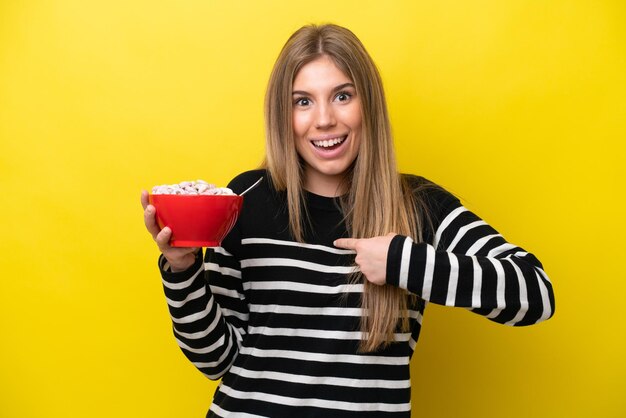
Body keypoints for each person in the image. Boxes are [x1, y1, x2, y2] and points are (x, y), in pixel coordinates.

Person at [141, 24, 555, 418]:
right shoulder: (246, 199)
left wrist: (401, 261)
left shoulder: (420, 206)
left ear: (367, 105)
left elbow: (535, 294)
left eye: (342, 96)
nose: (323, 119)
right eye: (303, 101)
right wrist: (183, 270)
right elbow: (217, 358)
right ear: (283, 115)